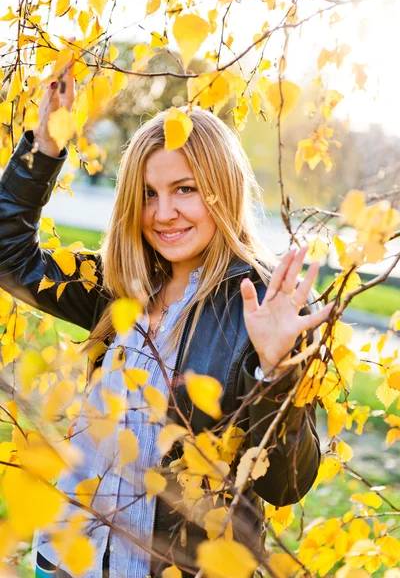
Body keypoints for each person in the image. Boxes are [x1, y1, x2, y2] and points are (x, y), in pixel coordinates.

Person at [0, 64, 333, 578]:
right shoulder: (121, 284)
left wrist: (274, 369)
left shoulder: (266, 306)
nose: (163, 213)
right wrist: (43, 149)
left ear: (223, 190)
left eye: (185, 189)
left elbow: (285, 485)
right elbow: (10, 257)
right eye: (149, 194)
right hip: (69, 559)